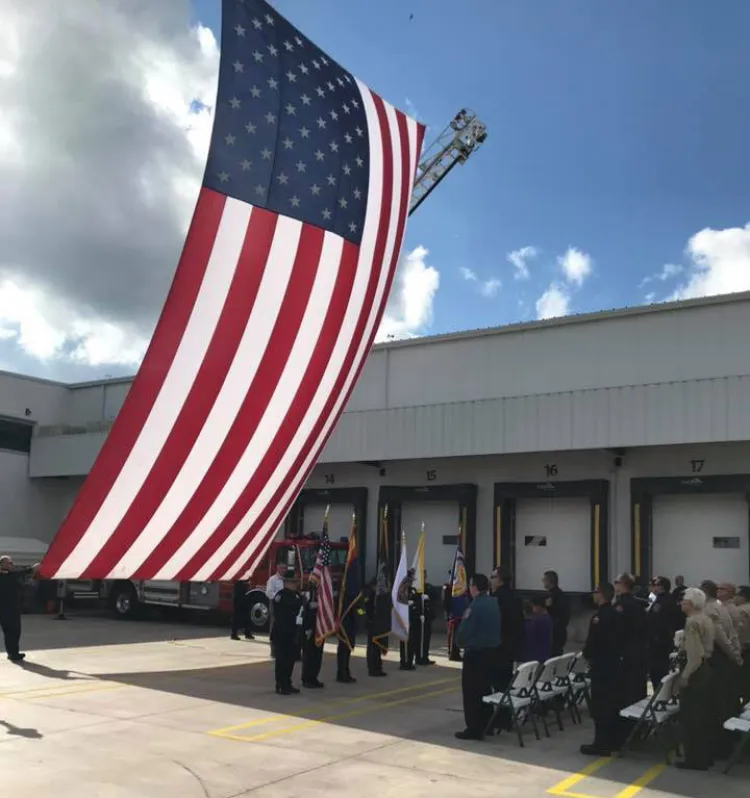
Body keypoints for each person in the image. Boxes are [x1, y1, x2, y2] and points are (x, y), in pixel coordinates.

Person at [454, 573, 501, 741]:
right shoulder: (494, 603)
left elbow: (464, 632)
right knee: (485, 690)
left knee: (472, 691)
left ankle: (474, 727)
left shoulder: (475, 606)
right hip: (492, 652)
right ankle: (487, 725)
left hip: (476, 653)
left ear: (474, 587)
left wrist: (458, 642)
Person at [580, 582, 625, 756]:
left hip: (601, 666)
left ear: (602, 595)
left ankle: (601, 744)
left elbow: (593, 642)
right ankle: (612, 741)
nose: (593, 594)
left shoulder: (600, 617)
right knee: (611, 703)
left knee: (600, 706)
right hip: (614, 663)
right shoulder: (616, 614)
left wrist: (586, 653)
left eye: (596, 591)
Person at [701, 579, 742, 758]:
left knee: (720, 704)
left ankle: (723, 746)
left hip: (720, 659)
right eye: (718, 588)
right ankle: (727, 742)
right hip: (727, 658)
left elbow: (725, 637)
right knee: (726, 701)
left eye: (723, 589)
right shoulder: (722, 608)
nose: (720, 591)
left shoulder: (716, 609)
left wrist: (734, 655)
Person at [675, 587, 715, 771]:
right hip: (706, 668)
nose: (681, 604)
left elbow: (695, 655)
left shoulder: (692, 623)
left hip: (695, 672)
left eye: (683, 601)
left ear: (690, 604)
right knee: (703, 714)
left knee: (692, 716)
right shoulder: (706, 618)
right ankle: (705, 755)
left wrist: (685, 676)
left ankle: (694, 759)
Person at [614, 573, 649, 707]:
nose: (615, 585)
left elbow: (618, 630)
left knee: (628, 688)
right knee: (639, 686)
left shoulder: (623, 604)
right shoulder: (637, 603)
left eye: (616, 582)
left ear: (623, 584)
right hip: (640, 650)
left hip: (627, 652)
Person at [490, 566, 525, 695]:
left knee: (497, 682)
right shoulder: (515, 597)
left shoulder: (496, 598)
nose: (491, 580)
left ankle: (500, 712)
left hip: (497, 645)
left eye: (493, 577)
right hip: (511, 645)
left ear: (500, 580)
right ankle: (506, 711)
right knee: (505, 680)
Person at [646, 576, 683, 690]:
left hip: (658, 642)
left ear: (660, 587)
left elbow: (656, 622)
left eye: (654, 585)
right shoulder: (667, 599)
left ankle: (660, 695)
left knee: (657, 672)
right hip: (663, 641)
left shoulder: (661, 602)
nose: (652, 587)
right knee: (660, 670)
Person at [0, 556, 40, 662]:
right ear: (2, 564)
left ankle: (14, 652)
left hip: (13, 608)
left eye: (11, 563)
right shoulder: (5, 575)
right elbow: (17, 574)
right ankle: (12, 654)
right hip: (6, 610)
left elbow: (20, 584)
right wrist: (31, 569)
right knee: (11, 632)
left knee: (14, 632)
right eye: (8, 563)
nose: (11, 565)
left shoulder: (12, 576)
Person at [271, 569, 303, 695]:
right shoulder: (281, 596)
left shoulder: (296, 596)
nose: (295, 584)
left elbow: (300, 605)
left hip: (292, 634)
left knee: (290, 660)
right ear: (286, 582)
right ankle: (280, 684)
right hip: (282, 633)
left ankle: (287, 683)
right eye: (292, 582)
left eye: (295, 582)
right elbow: (282, 614)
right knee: (282, 660)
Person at [300, 584, 325, 689]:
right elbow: (303, 614)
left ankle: (314, 677)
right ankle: (306, 679)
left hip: (319, 629)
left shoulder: (322, 599)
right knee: (308, 655)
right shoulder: (305, 598)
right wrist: (306, 629)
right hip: (309, 629)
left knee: (317, 655)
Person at [365, 578, 390, 677]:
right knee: (372, 648)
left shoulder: (380, 597)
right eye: (378, 586)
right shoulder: (369, 595)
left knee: (378, 647)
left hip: (378, 625)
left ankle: (378, 667)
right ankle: (372, 669)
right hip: (372, 624)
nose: (380, 588)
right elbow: (365, 609)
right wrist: (369, 619)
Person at [518, 596, 552, 665]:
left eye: (533, 606)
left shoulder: (536, 621)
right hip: (543, 656)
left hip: (533, 659)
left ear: (538, 606)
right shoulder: (547, 619)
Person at [543, 570, 570, 656]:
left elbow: (552, 614)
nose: (542, 581)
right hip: (560, 633)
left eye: (544, 579)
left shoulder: (553, 596)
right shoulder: (561, 594)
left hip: (554, 634)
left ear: (549, 581)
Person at [266, 562, 286, 657]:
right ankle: (273, 651)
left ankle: (282, 650)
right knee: (273, 627)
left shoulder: (286, 580)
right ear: (277, 568)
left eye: (284, 568)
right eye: (281, 568)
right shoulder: (272, 579)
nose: (283, 570)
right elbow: (269, 593)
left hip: (285, 607)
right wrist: (279, 597)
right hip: (275, 605)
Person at [734, 585, 750, 702]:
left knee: (744, 682)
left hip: (746, 650)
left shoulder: (741, 611)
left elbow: (743, 634)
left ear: (743, 597)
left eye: (737, 595)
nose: (734, 597)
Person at [415, 574, 435, 666]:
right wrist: (419, 600)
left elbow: (436, 598)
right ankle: (418, 658)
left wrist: (428, 598)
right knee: (418, 639)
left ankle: (425, 657)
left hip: (427, 618)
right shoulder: (415, 588)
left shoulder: (428, 587)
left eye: (424, 576)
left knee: (426, 638)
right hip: (418, 618)